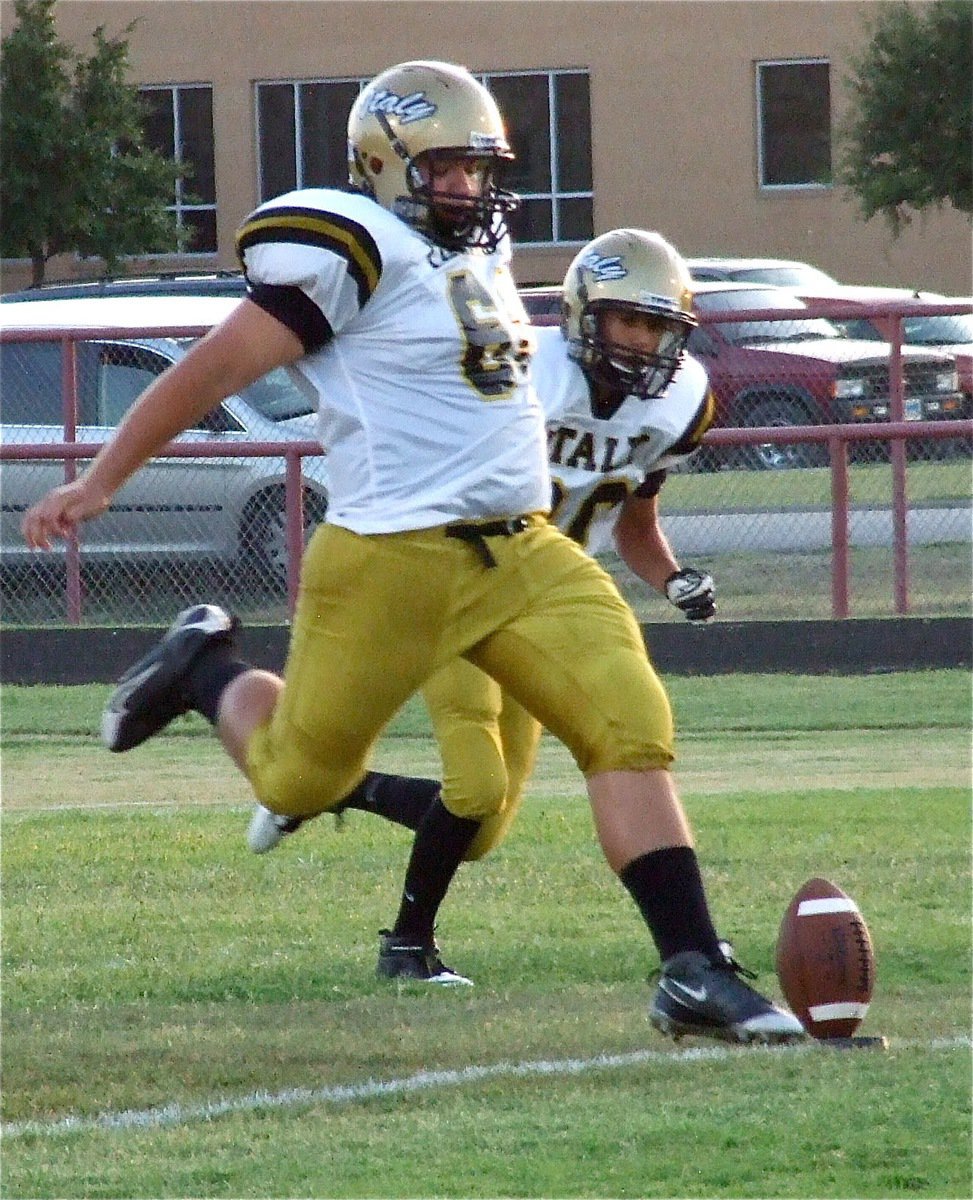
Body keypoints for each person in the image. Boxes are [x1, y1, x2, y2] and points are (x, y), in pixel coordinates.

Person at [22, 60, 803, 1046]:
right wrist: (103, 477)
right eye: (447, 169)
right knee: (295, 780)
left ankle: (695, 969)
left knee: (628, 721)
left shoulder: (476, 247)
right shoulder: (350, 247)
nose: (468, 189)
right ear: (386, 165)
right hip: (391, 554)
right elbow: (212, 369)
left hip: (525, 550)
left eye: (479, 170)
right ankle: (204, 667)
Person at [248, 229, 727, 993]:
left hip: (546, 610)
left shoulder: (681, 400)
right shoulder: (518, 370)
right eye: (625, 322)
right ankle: (407, 945)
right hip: (463, 578)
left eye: (655, 326)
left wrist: (672, 580)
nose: (640, 343)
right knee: (472, 788)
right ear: (580, 315)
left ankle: (338, 787)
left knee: (485, 827)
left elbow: (635, 524)